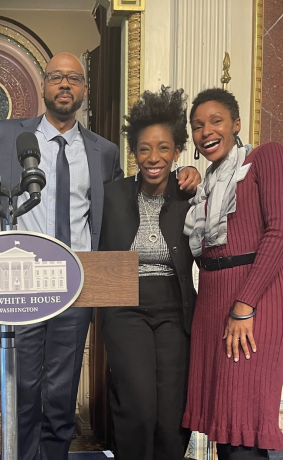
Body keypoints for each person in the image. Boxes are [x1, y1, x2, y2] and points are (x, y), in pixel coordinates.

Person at [0, 53, 201, 460]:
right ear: (43, 85)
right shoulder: (9, 136)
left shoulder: (103, 152)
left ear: (84, 90)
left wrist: (184, 174)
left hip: (76, 287)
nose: (64, 84)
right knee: (23, 391)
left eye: (74, 78)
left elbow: (131, 196)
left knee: (62, 394)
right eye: (56, 77)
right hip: (22, 286)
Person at [182, 88, 283, 460]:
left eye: (215, 121)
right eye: (197, 126)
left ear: (236, 124)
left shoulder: (266, 157)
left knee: (243, 429)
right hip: (214, 299)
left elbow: (282, 231)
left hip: (255, 298)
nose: (206, 132)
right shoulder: (206, 185)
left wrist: (244, 305)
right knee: (225, 425)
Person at [99, 87, 195, 460]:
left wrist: (196, 178)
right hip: (125, 307)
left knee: (171, 415)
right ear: (133, 152)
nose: (153, 157)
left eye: (164, 148)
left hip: (175, 308)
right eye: (144, 149)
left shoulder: (190, 194)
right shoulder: (112, 195)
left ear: (177, 151)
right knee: (138, 408)